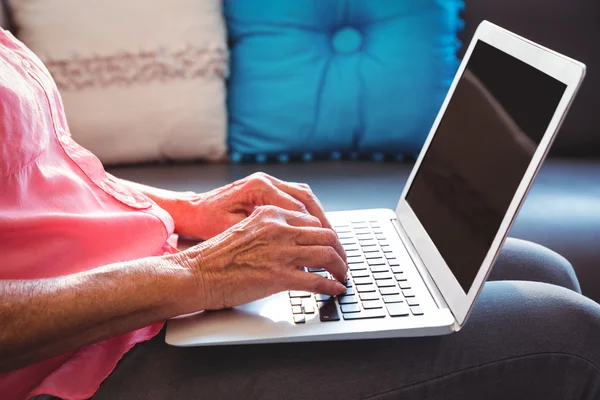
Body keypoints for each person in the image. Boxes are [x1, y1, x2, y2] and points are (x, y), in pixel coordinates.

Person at [0, 28, 599, 400]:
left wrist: (187, 209)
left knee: (541, 269)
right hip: (87, 363)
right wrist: (197, 275)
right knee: (567, 333)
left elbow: (45, 170)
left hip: (152, 288)